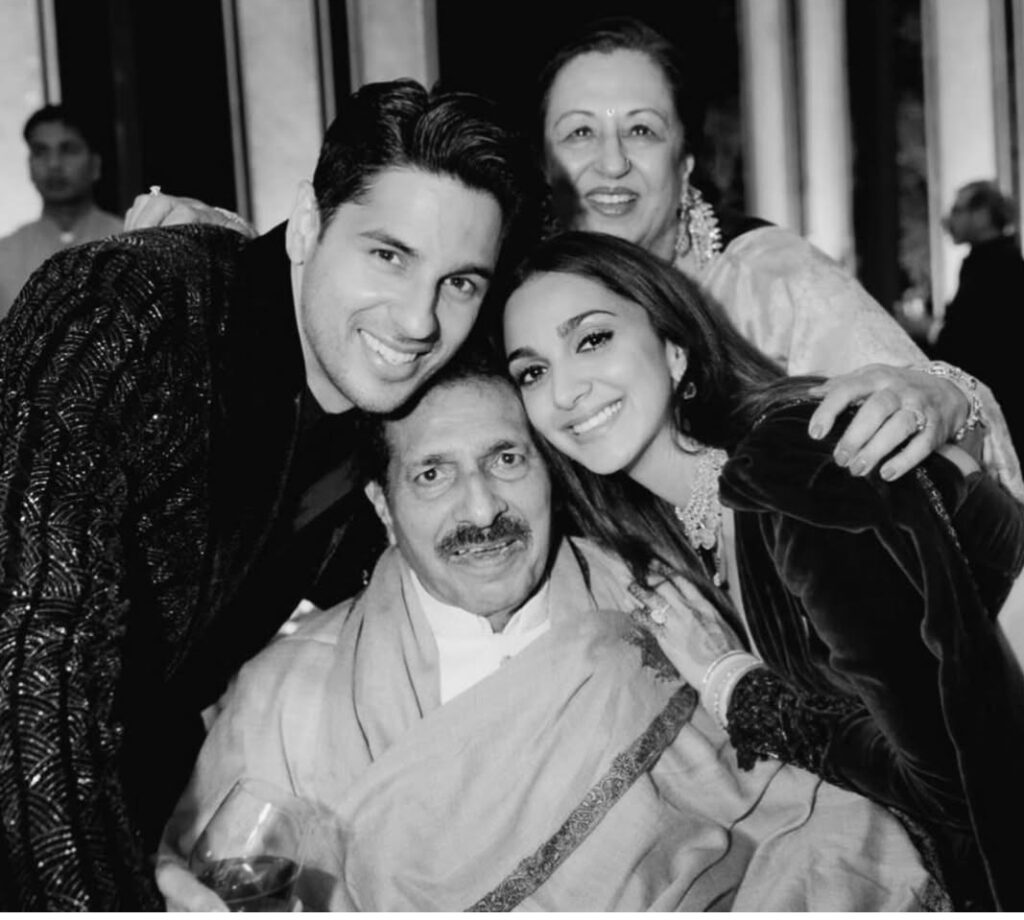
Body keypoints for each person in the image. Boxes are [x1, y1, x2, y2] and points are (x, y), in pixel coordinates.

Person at [0, 78, 536, 911]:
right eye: (389, 256)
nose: (419, 321)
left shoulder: (387, 406)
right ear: (309, 224)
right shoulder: (126, 309)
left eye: (459, 282)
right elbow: (35, 654)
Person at [159, 357, 944, 911]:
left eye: (507, 459)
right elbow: (206, 889)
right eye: (432, 474)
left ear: (550, 473)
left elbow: (822, 817)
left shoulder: (660, 613)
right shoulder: (287, 694)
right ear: (383, 507)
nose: (481, 510)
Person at [501, 230, 1024, 910]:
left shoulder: (789, 471)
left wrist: (735, 688)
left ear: (675, 348)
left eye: (592, 339)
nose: (565, 390)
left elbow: (955, 780)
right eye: (532, 373)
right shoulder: (687, 528)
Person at [534, 15, 1022, 497]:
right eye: (579, 133)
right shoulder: (519, 303)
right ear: (544, 165)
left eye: (642, 130)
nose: (612, 162)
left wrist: (943, 400)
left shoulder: (771, 279)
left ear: (684, 164)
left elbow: (932, 423)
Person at [0, 105, 124, 318]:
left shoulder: (128, 242)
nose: (54, 164)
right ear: (29, 165)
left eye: (68, 150)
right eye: (40, 152)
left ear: (95, 165)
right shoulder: (5, 256)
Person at [930, 181, 1024, 450]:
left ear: (982, 215)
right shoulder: (988, 261)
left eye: (957, 210)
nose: (948, 220)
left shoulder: (997, 267)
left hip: (996, 408)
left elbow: (969, 341)